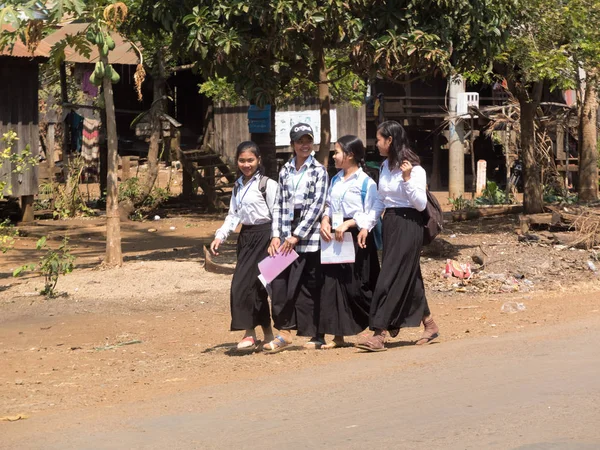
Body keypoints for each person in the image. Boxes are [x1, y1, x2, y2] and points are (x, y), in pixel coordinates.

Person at [356, 120, 439, 352]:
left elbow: (421, 204)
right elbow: (381, 200)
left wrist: (407, 179)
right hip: (391, 223)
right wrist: (367, 225)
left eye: (379, 139)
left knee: (389, 277)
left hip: (409, 224)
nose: (377, 143)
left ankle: (379, 332)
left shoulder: (415, 169)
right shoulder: (384, 167)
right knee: (409, 275)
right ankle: (429, 324)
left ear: (390, 140)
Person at [263, 123, 328, 353]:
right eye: (300, 141)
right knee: (278, 281)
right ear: (292, 144)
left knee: (311, 284)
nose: (305, 145)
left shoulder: (319, 171)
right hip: (286, 231)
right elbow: (279, 205)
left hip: (308, 236)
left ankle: (317, 334)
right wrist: (277, 235)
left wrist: (296, 235)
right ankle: (285, 331)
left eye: (308, 140)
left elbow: (317, 206)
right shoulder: (285, 170)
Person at [210, 141, 277, 352]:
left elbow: (278, 214)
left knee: (257, 287)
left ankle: (260, 334)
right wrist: (220, 235)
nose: (246, 164)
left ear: (258, 160)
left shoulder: (268, 185)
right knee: (243, 285)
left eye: (250, 160)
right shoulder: (238, 185)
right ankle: (255, 333)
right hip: (246, 238)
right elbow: (233, 215)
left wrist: (276, 238)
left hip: (266, 238)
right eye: (242, 160)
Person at [319, 135, 380, 349]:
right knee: (335, 285)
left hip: (357, 238)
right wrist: (325, 220)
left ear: (350, 155)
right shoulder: (335, 179)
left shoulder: (366, 182)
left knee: (357, 285)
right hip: (335, 236)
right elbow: (328, 205)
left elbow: (374, 210)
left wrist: (351, 223)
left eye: (337, 152)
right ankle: (337, 336)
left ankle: (377, 328)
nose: (334, 156)